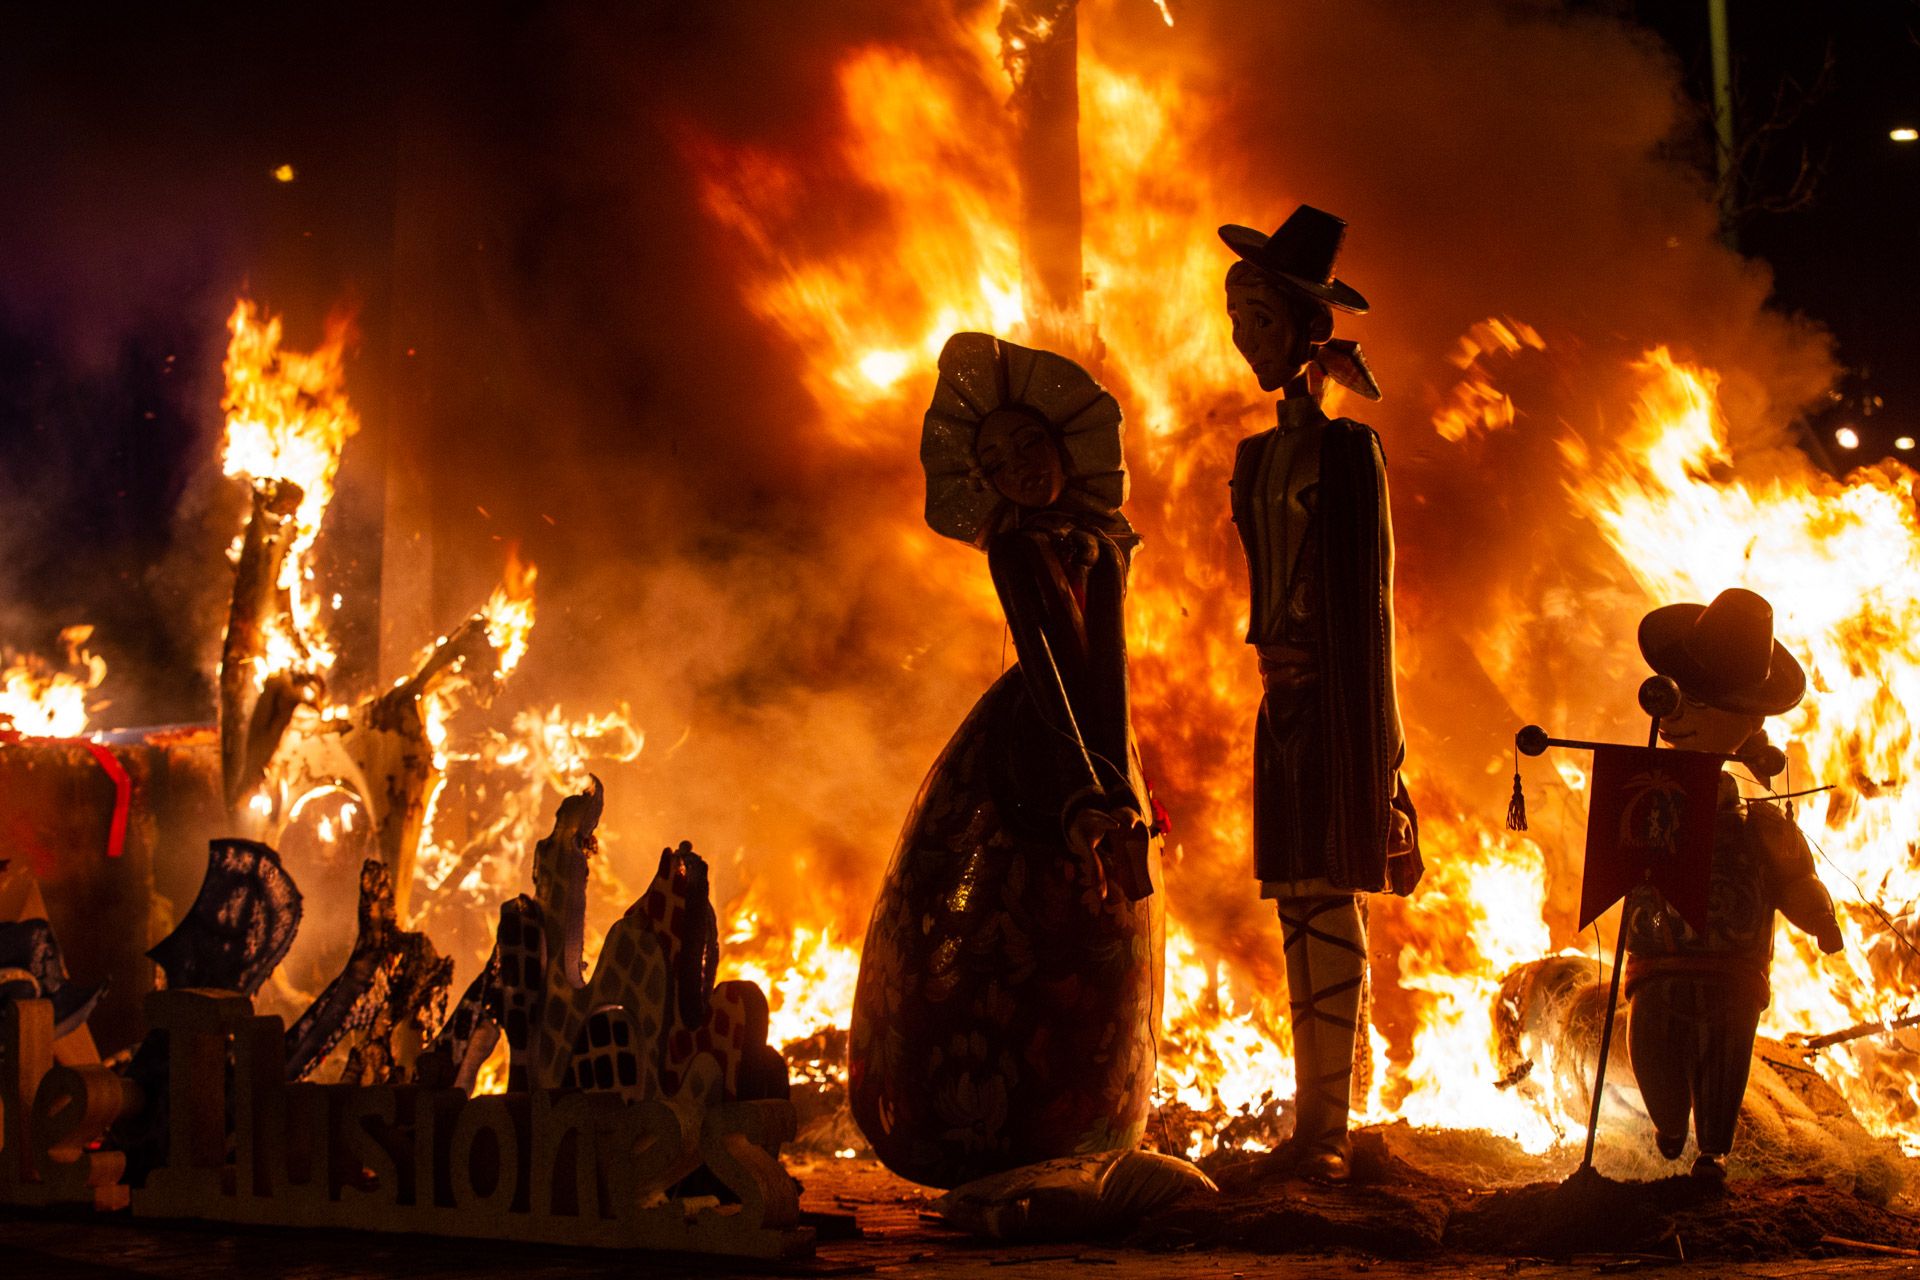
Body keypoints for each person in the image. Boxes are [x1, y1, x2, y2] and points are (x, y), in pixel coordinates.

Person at [848, 333, 1164, 1190]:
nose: (1018, 466)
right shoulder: (1017, 548)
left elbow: (1109, 671)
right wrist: (1082, 794)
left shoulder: (1101, 544)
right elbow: (1051, 658)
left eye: (1028, 445)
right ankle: (987, 1127)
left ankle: (1081, 1124)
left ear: (1064, 447)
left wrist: (1118, 781)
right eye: (995, 459)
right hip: (1039, 749)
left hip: (1093, 743)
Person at [1218, 205, 1421, 1181]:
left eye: (1258, 322)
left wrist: (1386, 760)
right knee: (1294, 898)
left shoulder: (1351, 455)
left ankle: (1328, 1127)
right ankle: (1309, 1124)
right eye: (1235, 321)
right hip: (1278, 700)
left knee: (1333, 894)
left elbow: (1372, 607)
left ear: (1304, 331)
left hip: (1338, 703)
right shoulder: (1255, 457)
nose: (1241, 340)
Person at [1625, 587, 1844, 1185]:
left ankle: (1712, 1150)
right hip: (1659, 964)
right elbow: (1621, 861)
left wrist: (1821, 921)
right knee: (1653, 1053)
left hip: (1734, 971)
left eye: (1698, 702)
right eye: (1675, 697)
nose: (1675, 716)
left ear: (1749, 720)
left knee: (1724, 1063)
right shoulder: (1650, 806)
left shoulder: (1762, 825)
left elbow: (1797, 880)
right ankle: (1670, 1126)